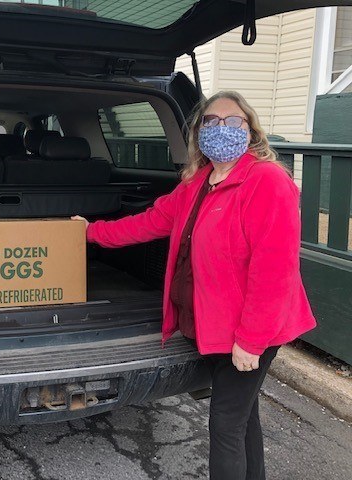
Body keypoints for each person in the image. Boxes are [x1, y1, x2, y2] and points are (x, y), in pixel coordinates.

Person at [73, 91, 316, 480]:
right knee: (241, 417)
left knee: (224, 428)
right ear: (199, 132)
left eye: (233, 121)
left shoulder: (267, 181)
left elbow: (275, 270)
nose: (222, 128)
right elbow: (148, 223)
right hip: (214, 324)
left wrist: (251, 341)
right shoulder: (198, 182)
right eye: (211, 121)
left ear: (250, 131)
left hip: (251, 329)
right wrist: (91, 233)